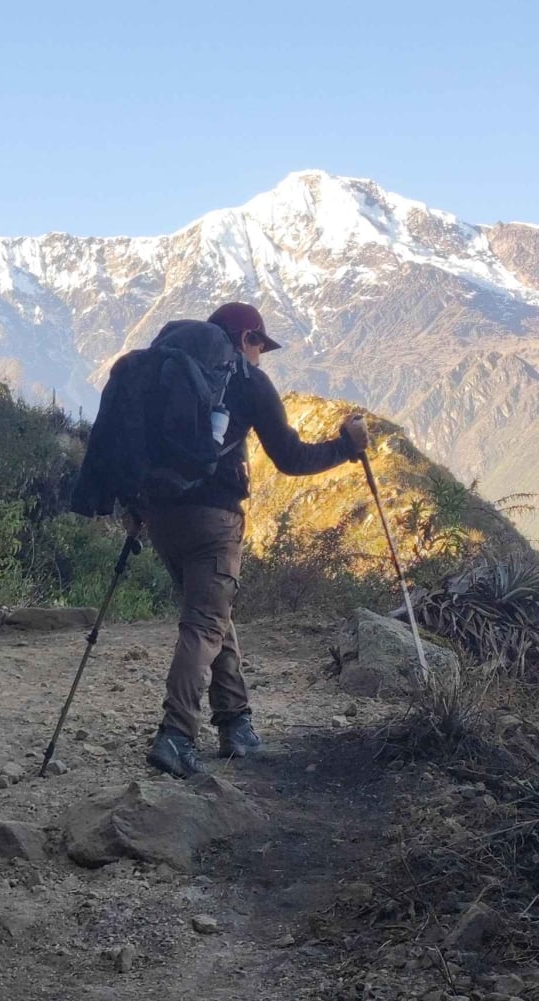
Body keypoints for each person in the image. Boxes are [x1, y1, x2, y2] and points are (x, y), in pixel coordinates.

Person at [130, 302, 368, 779]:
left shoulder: (165, 374)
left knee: (214, 615)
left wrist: (135, 508)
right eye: (260, 344)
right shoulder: (248, 380)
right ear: (246, 339)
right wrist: (346, 446)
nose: (261, 355)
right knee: (204, 625)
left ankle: (236, 723)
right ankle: (176, 735)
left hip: (160, 516)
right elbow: (292, 458)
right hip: (214, 521)